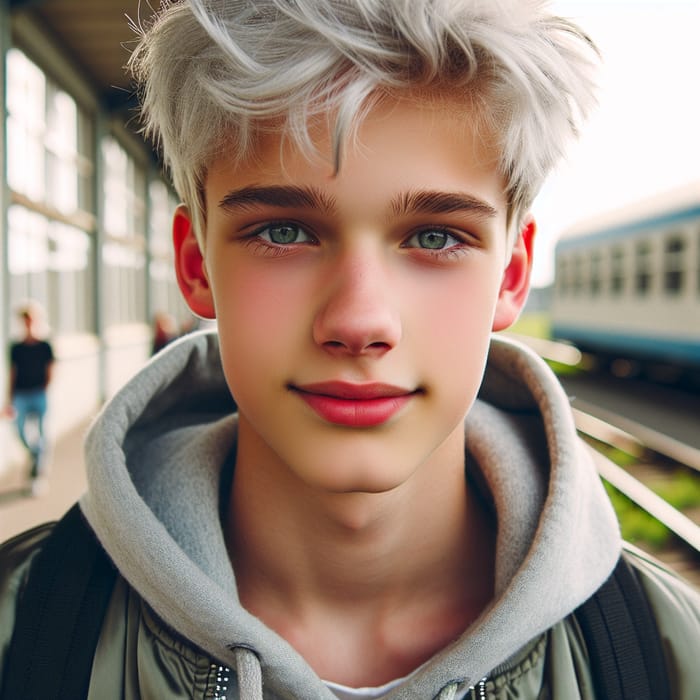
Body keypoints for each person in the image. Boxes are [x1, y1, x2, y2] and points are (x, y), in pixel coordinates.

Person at [1, 1, 699, 698]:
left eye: (435, 237)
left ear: (511, 275)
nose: (359, 321)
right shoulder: (24, 632)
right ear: (194, 265)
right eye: (283, 231)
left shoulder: (669, 653)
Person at [2, 302, 54, 493]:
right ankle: (36, 456)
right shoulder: (16, 347)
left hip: (38, 393)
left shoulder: (45, 346)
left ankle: (37, 475)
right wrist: (9, 400)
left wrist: (44, 389)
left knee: (42, 434)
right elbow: (12, 373)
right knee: (21, 432)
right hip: (20, 395)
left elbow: (51, 370)